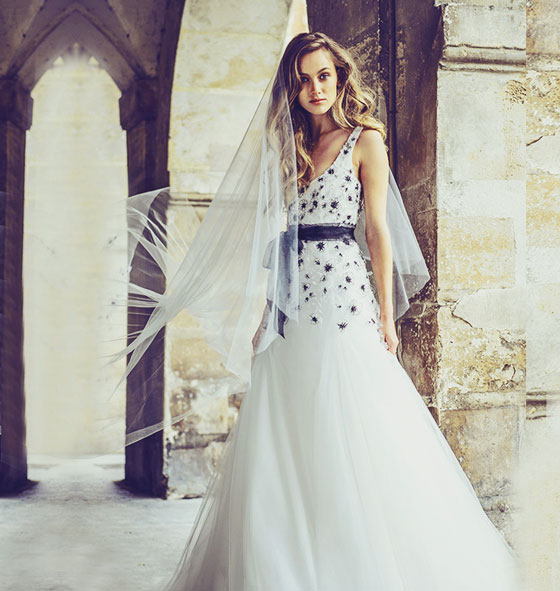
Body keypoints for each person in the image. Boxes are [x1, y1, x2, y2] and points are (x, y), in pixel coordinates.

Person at [117, 32, 520, 590]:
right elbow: (277, 235)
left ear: (339, 77)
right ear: (292, 85)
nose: (314, 88)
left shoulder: (365, 142)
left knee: (351, 417)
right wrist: (264, 311)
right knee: (283, 424)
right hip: (290, 302)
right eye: (303, 78)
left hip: (345, 300)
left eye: (323, 75)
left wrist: (385, 315)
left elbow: (377, 232)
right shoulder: (288, 147)